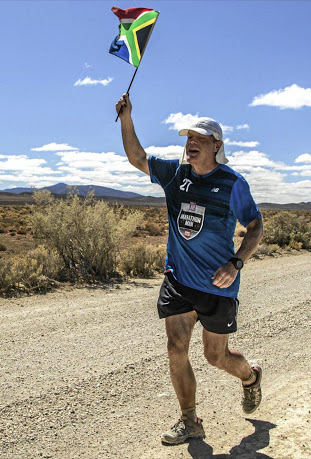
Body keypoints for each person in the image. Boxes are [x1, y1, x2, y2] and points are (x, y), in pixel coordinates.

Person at [116, 94, 264, 445]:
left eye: (198, 139)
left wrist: (236, 261)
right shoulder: (174, 175)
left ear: (217, 146)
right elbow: (137, 157)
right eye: (188, 139)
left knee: (216, 356)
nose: (190, 144)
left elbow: (255, 224)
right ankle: (189, 420)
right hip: (179, 280)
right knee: (175, 346)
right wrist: (126, 118)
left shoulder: (232, 183)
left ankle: (250, 377)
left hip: (217, 285)